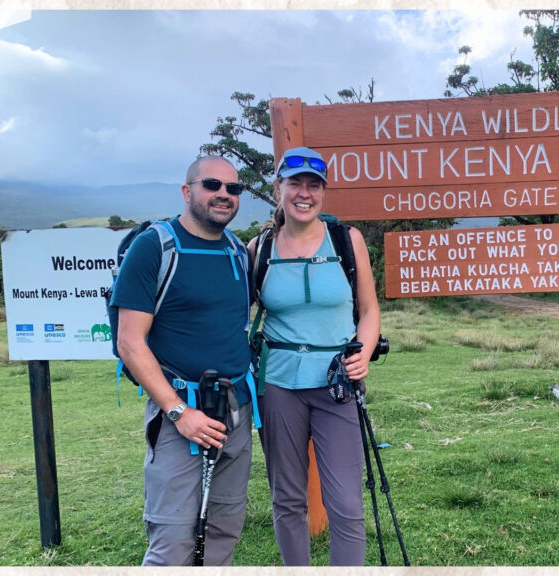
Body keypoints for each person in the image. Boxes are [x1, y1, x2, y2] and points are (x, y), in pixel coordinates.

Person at [112, 155, 256, 566]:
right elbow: (129, 341)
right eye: (212, 185)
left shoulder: (235, 251)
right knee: (173, 540)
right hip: (180, 414)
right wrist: (179, 412)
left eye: (234, 188)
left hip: (235, 410)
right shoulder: (155, 246)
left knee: (223, 531)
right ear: (187, 190)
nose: (224, 195)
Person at [249, 146, 381, 566]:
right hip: (278, 385)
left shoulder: (347, 240)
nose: (304, 194)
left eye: (314, 185)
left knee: (346, 502)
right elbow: (238, 315)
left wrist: (366, 349)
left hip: (337, 384)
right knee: (288, 498)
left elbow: (370, 310)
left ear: (323, 191)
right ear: (279, 189)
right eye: (295, 184)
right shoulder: (259, 248)